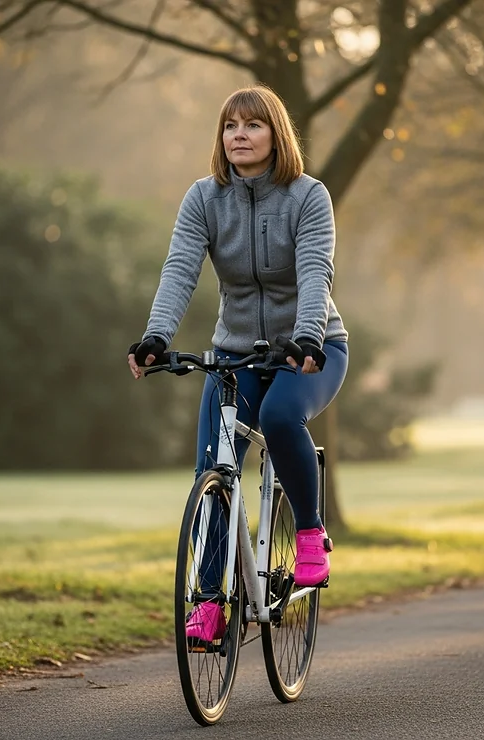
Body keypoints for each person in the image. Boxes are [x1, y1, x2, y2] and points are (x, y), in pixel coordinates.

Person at [128, 84, 348, 645]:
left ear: (277, 135)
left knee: (278, 419)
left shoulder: (307, 195)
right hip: (237, 354)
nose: (239, 136)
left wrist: (305, 338)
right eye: (230, 126)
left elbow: (315, 270)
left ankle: (309, 533)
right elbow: (179, 269)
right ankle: (208, 600)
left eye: (253, 125)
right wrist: (157, 335)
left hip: (311, 350)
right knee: (214, 469)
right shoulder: (204, 197)